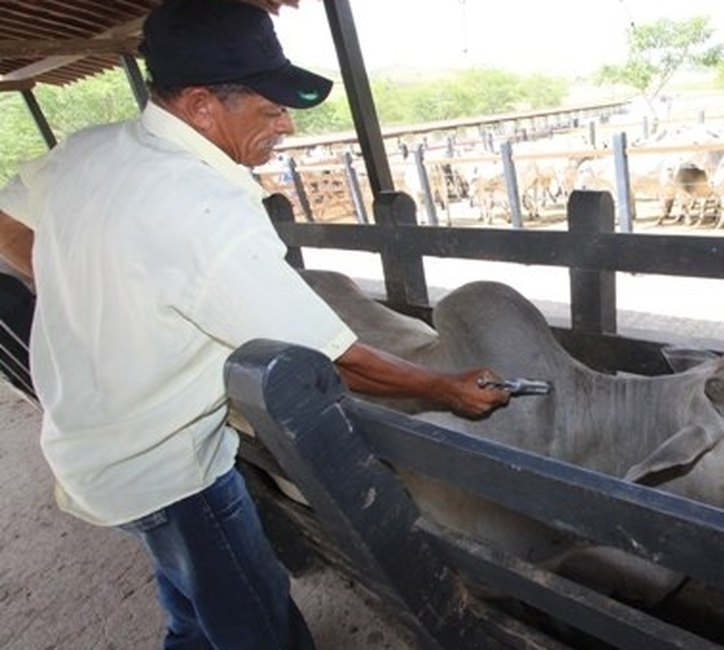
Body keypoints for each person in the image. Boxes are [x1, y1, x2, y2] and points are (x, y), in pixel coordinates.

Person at [0, 0, 511, 648]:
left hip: (88, 446)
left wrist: (67, 281)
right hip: (170, 468)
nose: (288, 126)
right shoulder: (205, 209)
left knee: (190, 604)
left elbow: (7, 219)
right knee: (256, 622)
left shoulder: (88, 150)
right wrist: (446, 387)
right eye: (269, 110)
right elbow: (334, 358)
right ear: (203, 104)